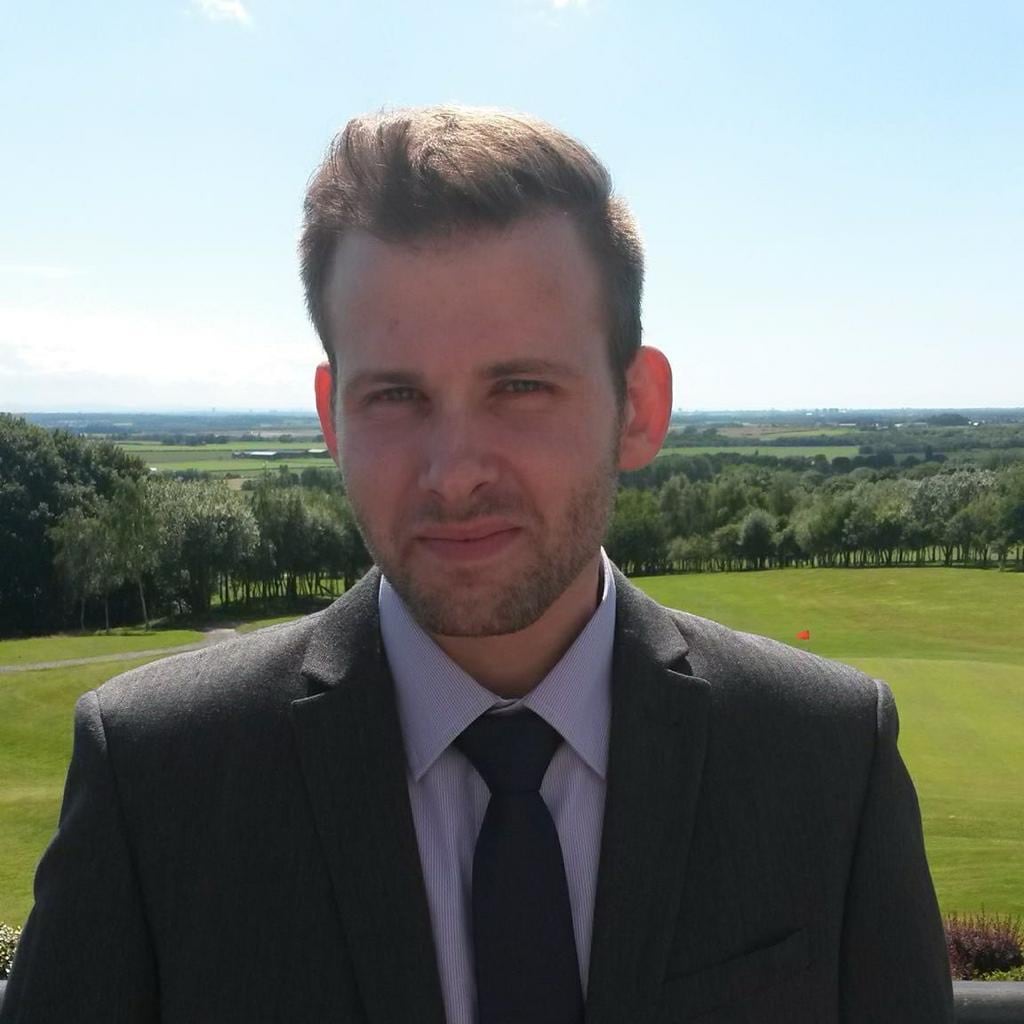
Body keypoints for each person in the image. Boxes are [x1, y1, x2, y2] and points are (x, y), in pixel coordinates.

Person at [1, 106, 953, 1024]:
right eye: (396, 396)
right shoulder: (158, 778)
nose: (453, 475)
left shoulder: (826, 759)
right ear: (332, 417)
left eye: (520, 386)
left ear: (638, 406)